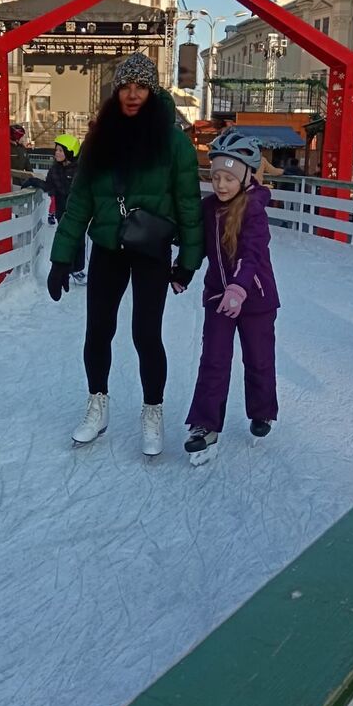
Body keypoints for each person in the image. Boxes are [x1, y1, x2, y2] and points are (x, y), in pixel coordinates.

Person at [47, 53, 204, 456]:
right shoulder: (100, 138)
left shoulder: (173, 143)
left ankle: (153, 411)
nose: (132, 95)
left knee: (146, 334)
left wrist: (188, 260)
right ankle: (97, 404)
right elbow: (80, 202)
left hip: (150, 250)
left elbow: (189, 204)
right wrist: (61, 257)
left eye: (141, 87)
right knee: (98, 330)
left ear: (152, 91)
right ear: (116, 91)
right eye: (125, 87)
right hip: (107, 247)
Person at [184, 131, 280, 464]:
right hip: (218, 297)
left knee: (258, 359)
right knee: (213, 360)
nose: (221, 185)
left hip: (255, 298)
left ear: (245, 177)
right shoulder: (208, 207)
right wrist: (182, 271)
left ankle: (262, 410)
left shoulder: (254, 209)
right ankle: (205, 425)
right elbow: (194, 242)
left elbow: (252, 253)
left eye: (229, 178)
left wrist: (238, 288)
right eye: (215, 177)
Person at [29, 134, 87, 282]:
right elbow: (50, 187)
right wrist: (34, 181)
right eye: (56, 150)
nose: (57, 153)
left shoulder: (80, 170)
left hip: (78, 211)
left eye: (61, 150)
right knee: (66, 240)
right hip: (62, 211)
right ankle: (67, 269)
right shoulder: (55, 170)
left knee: (79, 240)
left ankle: (77, 268)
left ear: (70, 152)